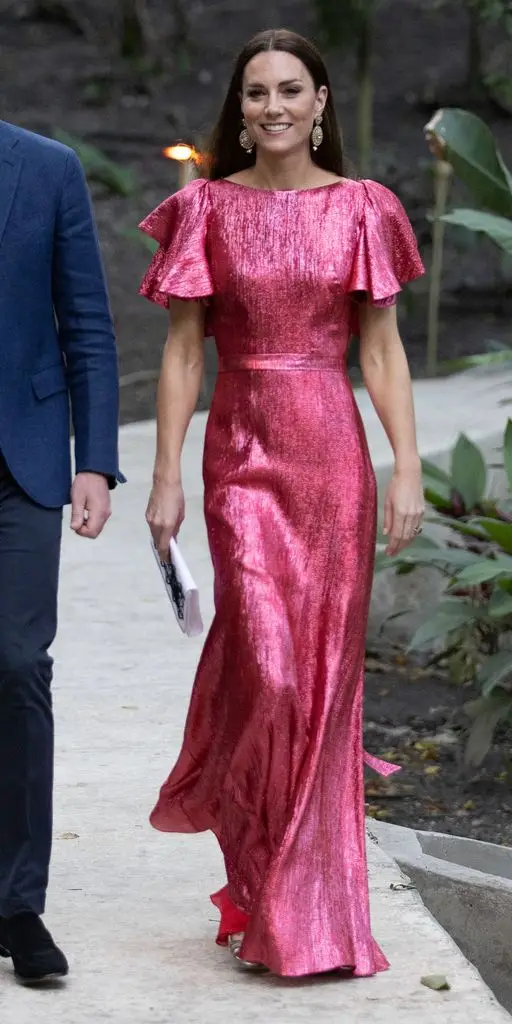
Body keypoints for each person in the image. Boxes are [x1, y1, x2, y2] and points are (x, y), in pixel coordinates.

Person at [141, 28, 424, 978]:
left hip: (332, 459)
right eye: (255, 91)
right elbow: (185, 350)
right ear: (242, 107)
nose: (271, 106)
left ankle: (301, 910)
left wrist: (408, 466)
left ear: (321, 102)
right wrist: (168, 473)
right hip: (243, 455)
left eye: (289, 90)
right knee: (267, 671)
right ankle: (260, 879)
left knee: (325, 679)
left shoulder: (364, 208)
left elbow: (380, 349)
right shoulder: (205, 208)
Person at [0, 120, 123, 984]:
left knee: (14, 665)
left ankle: (16, 903)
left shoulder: (48, 167)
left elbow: (87, 320)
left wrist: (95, 459)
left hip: (25, 457)